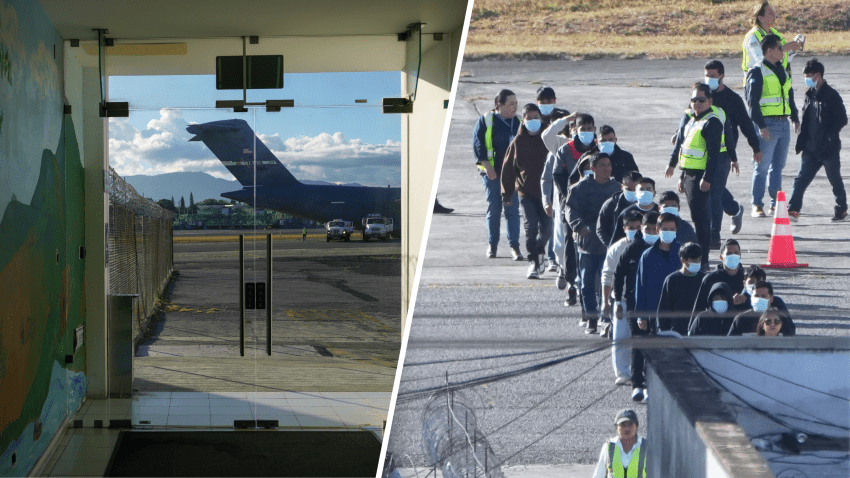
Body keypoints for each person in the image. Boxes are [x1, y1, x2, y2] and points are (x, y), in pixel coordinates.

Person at [703, 59, 763, 239]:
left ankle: (713, 234)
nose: (709, 80)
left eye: (712, 76)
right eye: (706, 76)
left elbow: (746, 124)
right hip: (702, 149)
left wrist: (756, 147)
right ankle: (734, 209)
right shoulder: (701, 94)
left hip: (724, 152)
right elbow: (690, 115)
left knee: (714, 190)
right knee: (709, 186)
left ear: (722, 76)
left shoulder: (733, 99)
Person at [787, 59, 849, 222]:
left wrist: (830, 134)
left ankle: (841, 208)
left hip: (828, 148)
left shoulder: (831, 95)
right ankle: (793, 209)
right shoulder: (810, 94)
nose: (806, 79)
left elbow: (842, 118)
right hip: (811, 148)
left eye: (808, 75)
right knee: (800, 180)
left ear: (818, 76)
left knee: (834, 179)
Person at [566, 152, 621, 333]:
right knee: (586, 284)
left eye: (609, 165)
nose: (607, 169)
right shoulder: (578, 189)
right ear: (593, 168)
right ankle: (590, 318)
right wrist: (579, 226)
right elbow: (570, 210)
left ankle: (606, 319)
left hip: (608, 245)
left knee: (607, 283)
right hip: (586, 245)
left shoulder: (617, 189)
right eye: (602, 165)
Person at [668, 82, 720, 268]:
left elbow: (714, 155)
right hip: (689, 175)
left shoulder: (711, 122)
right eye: (693, 100)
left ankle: (703, 259)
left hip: (700, 177)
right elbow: (686, 151)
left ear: (710, 100)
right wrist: (682, 176)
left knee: (701, 220)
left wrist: (707, 178)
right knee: (696, 217)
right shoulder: (693, 120)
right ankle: (699, 257)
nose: (697, 103)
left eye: (701, 99)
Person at [746, 33, 799, 218]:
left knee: (777, 166)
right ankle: (756, 205)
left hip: (783, 124)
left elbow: (788, 94)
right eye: (779, 48)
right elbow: (752, 103)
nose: (782, 50)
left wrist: (795, 117)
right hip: (767, 124)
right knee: (761, 167)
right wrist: (761, 126)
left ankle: (775, 203)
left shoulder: (781, 69)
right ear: (770, 51)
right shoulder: (758, 71)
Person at [631, 212, 681, 402]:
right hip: (653, 312)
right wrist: (641, 315)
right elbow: (640, 286)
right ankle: (646, 385)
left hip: (676, 312)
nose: (668, 232)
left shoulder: (681, 253)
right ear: (657, 230)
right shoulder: (647, 255)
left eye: (672, 229)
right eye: (665, 229)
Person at [501, 104, 553, 279]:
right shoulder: (518, 142)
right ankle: (533, 262)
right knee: (530, 228)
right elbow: (508, 168)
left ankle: (540, 251)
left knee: (546, 229)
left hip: (547, 194)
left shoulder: (549, 138)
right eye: (528, 118)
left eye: (535, 117)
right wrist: (507, 193)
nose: (532, 121)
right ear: (523, 121)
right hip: (526, 192)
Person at [473, 89, 523, 260]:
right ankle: (492, 245)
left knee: (513, 210)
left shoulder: (519, 122)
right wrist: (488, 167)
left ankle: (514, 246)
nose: (514, 107)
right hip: (492, 174)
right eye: (511, 103)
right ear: (499, 104)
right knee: (494, 209)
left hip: (512, 176)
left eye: (516, 103)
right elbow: (478, 146)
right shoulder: (487, 121)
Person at [601, 209, 643, 384]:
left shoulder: (646, 245)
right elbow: (608, 275)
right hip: (622, 300)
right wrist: (606, 302)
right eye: (630, 227)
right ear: (624, 228)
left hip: (642, 300)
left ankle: (642, 372)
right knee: (620, 337)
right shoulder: (616, 248)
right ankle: (622, 373)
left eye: (637, 226)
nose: (634, 229)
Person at [655, 242, 706, 336]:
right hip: (677, 332)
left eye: (699, 259)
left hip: (700, 331)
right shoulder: (672, 280)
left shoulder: (705, 280)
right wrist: (663, 332)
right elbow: (664, 309)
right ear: (683, 260)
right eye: (694, 260)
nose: (697, 262)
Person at [741, 1, 803, 76]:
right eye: (770, 13)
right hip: (758, 83)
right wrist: (782, 49)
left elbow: (784, 56)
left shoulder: (774, 32)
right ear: (761, 18)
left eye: (773, 12)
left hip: (774, 81)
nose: (774, 15)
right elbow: (761, 60)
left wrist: (792, 49)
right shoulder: (753, 37)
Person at [691, 239, 747, 319]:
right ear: (721, 257)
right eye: (729, 253)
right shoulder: (710, 279)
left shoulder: (747, 277)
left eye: (736, 253)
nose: (733, 256)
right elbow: (699, 309)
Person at [592, 409, 647, 478]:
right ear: (616, 427)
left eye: (630, 424)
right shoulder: (608, 447)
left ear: (636, 426)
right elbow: (599, 475)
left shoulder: (647, 447)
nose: (627, 428)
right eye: (622, 425)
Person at [728, 281, 795, 336]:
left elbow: (791, 343)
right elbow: (729, 344)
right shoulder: (741, 319)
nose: (759, 299)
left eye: (763, 296)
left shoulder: (781, 319)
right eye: (756, 296)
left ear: (771, 299)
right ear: (751, 298)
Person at [597, 171, 642, 249]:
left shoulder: (647, 205)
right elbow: (601, 229)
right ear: (622, 187)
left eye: (635, 189)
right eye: (629, 189)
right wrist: (613, 246)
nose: (632, 192)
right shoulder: (611, 204)